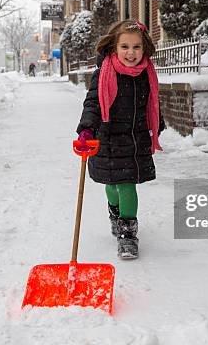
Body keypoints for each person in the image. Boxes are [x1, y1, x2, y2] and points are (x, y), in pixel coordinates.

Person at [76, 20, 165, 259]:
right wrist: (87, 129)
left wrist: (158, 124)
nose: (131, 52)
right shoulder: (104, 73)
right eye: (125, 46)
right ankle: (114, 212)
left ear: (144, 48)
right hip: (107, 137)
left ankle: (128, 234)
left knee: (127, 184)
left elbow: (152, 102)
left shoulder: (146, 74)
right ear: (114, 48)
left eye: (136, 47)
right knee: (111, 184)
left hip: (134, 138)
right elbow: (93, 103)